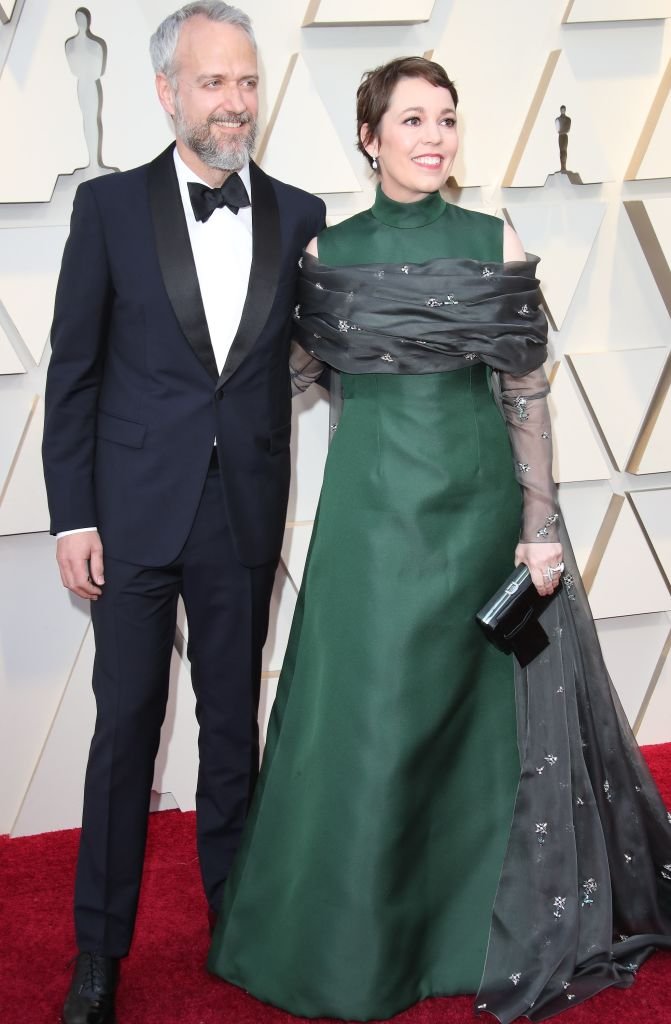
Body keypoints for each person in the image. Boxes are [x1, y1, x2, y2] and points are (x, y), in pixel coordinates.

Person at [208, 57, 671, 1022]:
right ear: (368, 138)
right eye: (410, 120)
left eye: (446, 120)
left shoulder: (489, 236)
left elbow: (524, 392)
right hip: (369, 528)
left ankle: (476, 934)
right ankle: (360, 946)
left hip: (476, 520)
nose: (432, 136)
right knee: (371, 726)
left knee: (477, 732)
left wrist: (539, 527)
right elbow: (285, 377)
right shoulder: (328, 251)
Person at [42, 3, 325, 1022]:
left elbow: (320, 355)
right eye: (213, 82)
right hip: (126, 516)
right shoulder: (109, 209)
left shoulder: (299, 214)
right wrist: (73, 516)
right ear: (168, 92)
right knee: (125, 729)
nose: (234, 101)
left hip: (241, 513)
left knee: (231, 737)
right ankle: (97, 957)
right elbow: (70, 374)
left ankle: (238, 925)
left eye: (245, 81)